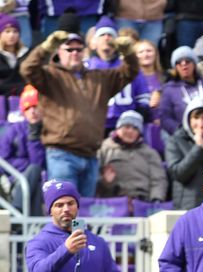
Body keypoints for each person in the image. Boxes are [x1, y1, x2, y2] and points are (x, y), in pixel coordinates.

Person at [20, 30, 138, 197]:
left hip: (90, 155)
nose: (74, 53)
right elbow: (27, 69)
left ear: (85, 52)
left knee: (82, 215)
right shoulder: (50, 76)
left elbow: (130, 72)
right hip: (61, 153)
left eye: (79, 49)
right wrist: (45, 48)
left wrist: (128, 52)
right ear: (59, 52)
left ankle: (77, 225)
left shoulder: (100, 78)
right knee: (64, 208)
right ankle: (60, 225)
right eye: (69, 49)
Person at [96, 110, 168, 203]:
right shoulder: (104, 149)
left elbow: (158, 179)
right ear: (118, 129)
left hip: (142, 203)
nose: (130, 131)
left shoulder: (150, 153)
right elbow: (92, 180)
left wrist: (156, 199)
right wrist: (106, 182)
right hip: (113, 203)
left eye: (135, 128)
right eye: (127, 127)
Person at [0, 84, 44, 215]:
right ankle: (30, 220)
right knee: (34, 171)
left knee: (35, 173)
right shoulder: (14, 130)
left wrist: (34, 137)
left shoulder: (49, 131)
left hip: (40, 180)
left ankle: (17, 212)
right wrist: (26, 167)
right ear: (23, 111)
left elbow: (40, 162)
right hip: (15, 180)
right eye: (28, 108)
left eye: (35, 106)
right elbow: (3, 160)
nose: (32, 111)